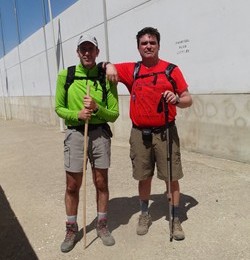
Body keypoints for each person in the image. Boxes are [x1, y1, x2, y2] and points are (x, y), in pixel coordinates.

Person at [105, 27, 192, 240]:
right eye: (144, 43)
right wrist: (107, 65)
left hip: (166, 133)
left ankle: (175, 217)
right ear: (138, 47)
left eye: (152, 42)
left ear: (159, 45)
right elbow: (107, 65)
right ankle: (144, 214)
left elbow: (188, 98)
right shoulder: (132, 70)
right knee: (143, 177)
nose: (148, 46)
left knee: (171, 177)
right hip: (139, 134)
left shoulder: (171, 70)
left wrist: (177, 100)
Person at [55, 34, 119, 252]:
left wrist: (96, 107)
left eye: (91, 49)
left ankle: (102, 225)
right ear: (77, 52)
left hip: (100, 134)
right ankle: (71, 228)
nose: (87, 52)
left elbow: (114, 113)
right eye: (83, 49)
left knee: (101, 182)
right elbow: (58, 108)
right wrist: (78, 114)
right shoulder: (67, 75)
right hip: (75, 133)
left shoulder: (106, 77)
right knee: (72, 185)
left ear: (97, 52)